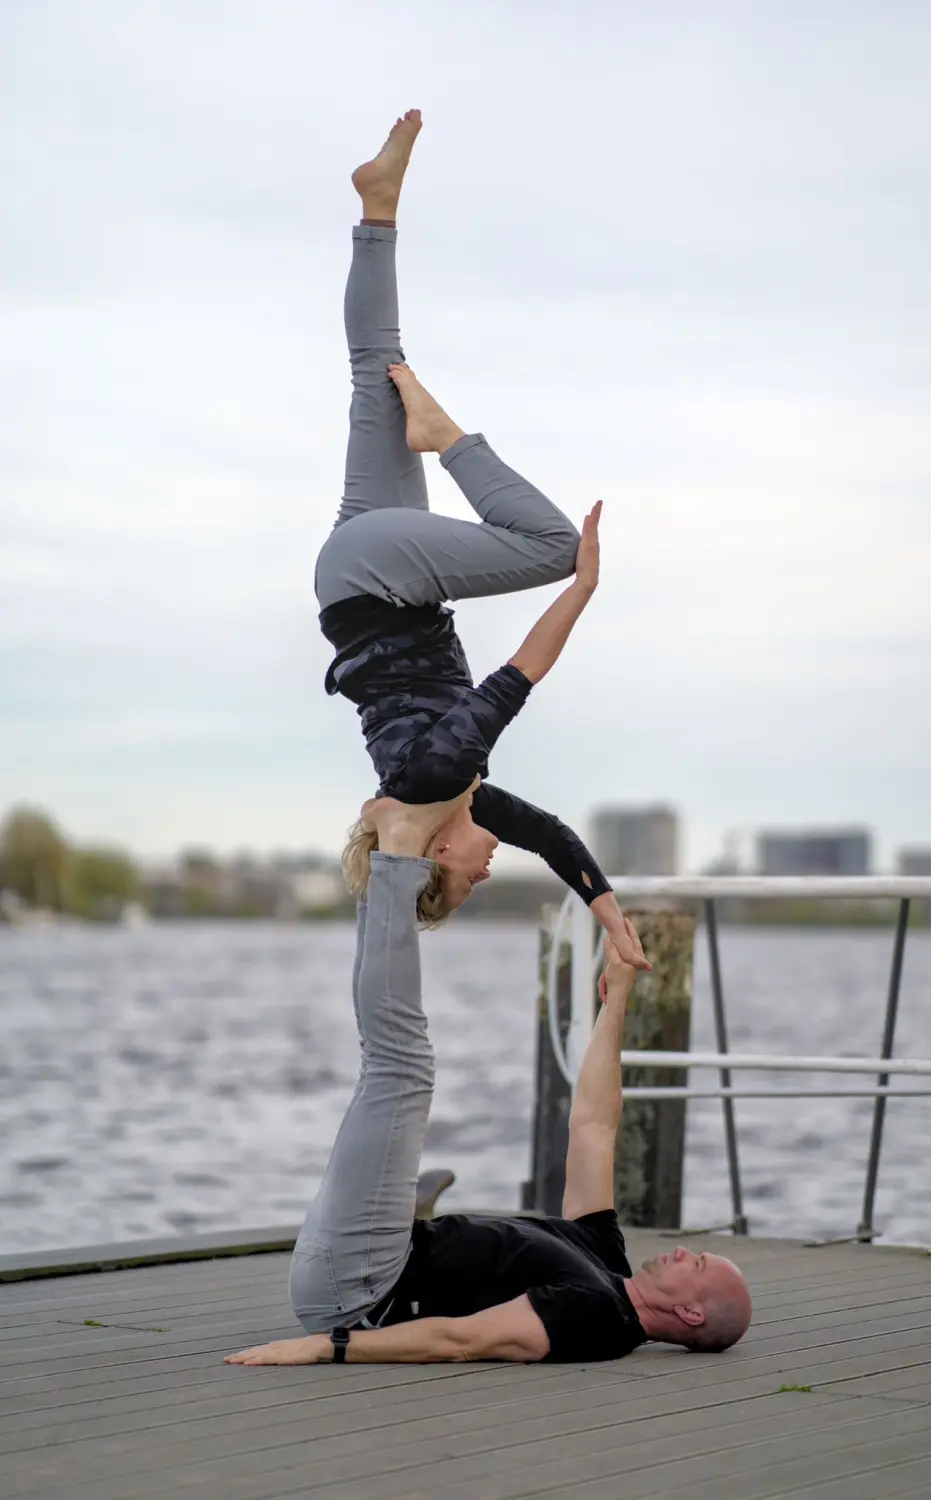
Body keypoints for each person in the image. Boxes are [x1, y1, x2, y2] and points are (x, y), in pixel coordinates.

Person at [225, 798, 752, 1369]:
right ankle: (391, 861)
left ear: (692, 1315)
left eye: (695, 1264)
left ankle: (398, 856)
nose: (680, 1250)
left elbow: (463, 1341)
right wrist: (618, 993)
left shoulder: (598, 1318)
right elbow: (594, 1127)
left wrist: (329, 1346)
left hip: (363, 1292)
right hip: (374, 1257)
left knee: (401, 1069)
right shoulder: (606, 1262)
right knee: (392, 1065)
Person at [316, 109, 646, 967]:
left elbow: (516, 677)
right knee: (376, 367)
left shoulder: (432, 776)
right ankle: (376, 209)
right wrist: (608, 914)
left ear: (433, 857)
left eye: (463, 883)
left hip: (388, 578)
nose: (485, 873)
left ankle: (446, 433)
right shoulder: (442, 794)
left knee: (550, 544)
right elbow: (554, 836)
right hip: (357, 580)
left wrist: (581, 588)